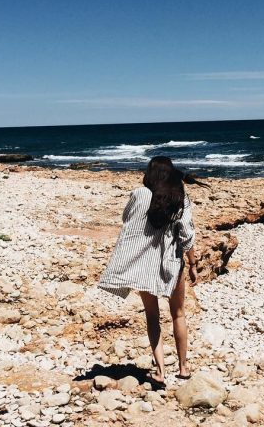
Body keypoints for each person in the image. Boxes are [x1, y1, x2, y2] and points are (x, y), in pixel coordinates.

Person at [98, 156, 207, 387]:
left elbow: (127, 219)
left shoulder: (139, 194)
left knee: (152, 316)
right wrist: (193, 263)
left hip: (143, 267)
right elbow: (187, 234)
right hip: (172, 264)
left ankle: (160, 371)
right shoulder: (179, 197)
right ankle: (183, 368)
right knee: (178, 314)